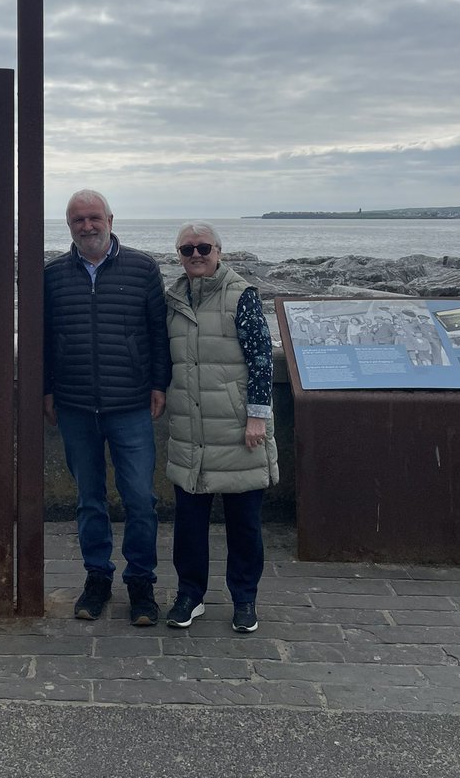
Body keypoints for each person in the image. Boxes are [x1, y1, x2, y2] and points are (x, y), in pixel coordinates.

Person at [43, 190, 170, 626]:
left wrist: (159, 383)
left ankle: (141, 584)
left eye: (94, 217)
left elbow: (158, 331)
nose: (87, 226)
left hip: (131, 403)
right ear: (69, 226)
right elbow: (44, 338)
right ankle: (97, 578)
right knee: (88, 500)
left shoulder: (142, 268)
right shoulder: (54, 274)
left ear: (111, 219)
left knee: (140, 499)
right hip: (76, 405)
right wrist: (46, 390)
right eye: (78, 220)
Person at [164, 222, 278, 634]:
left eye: (203, 247)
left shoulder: (242, 294)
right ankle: (189, 595)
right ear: (178, 254)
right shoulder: (173, 298)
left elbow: (262, 358)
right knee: (189, 523)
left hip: (235, 426)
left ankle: (244, 599)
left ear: (219, 251)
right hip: (190, 428)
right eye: (187, 249)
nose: (196, 255)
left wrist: (256, 417)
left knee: (244, 523)